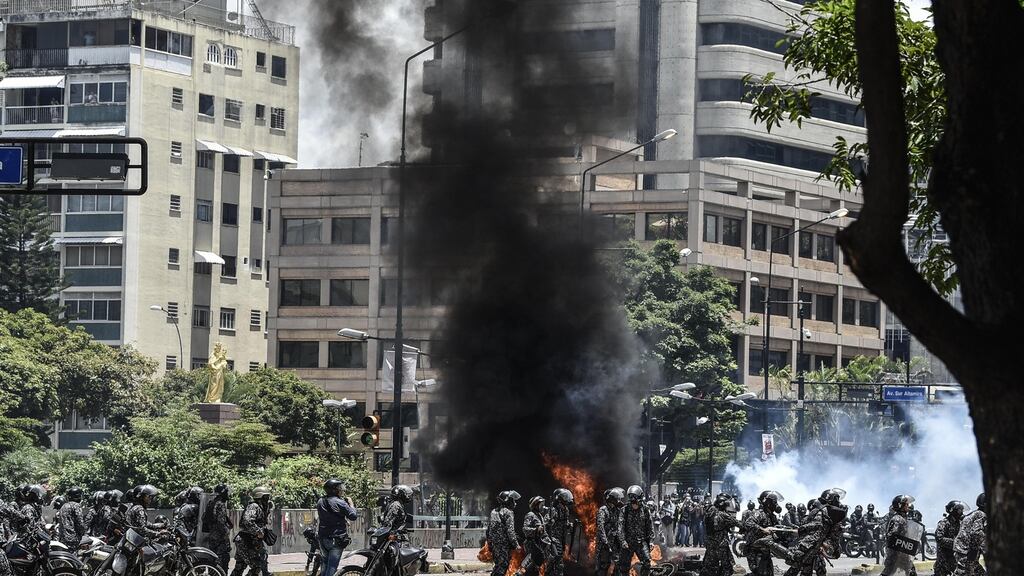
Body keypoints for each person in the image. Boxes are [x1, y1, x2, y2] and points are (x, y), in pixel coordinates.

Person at [785, 489, 847, 576]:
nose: (838, 502)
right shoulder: (823, 512)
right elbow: (818, 529)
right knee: (797, 567)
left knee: (803, 569)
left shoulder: (824, 513)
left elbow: (832, 533)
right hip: (809, 547)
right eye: (836, 499)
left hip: (812, 547)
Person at [317, 479, 359, 576]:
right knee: (332, 568)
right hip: (336, 539)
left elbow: (329, 517)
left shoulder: (320, 501)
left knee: (324, 566)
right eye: (339, 488)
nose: (341, 491)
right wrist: (351, 504)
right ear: (334, 490)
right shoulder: (340, 502)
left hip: (322, 538)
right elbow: (353, 516)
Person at [743, 490, 791, 576]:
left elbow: (777, 529)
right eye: (774, 502)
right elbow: (748, 523)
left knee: (769, 573)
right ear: (768, 502)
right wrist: (763, 529)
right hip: (754, 550)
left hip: (765, 551)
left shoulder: (772, 516)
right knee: (759, 573)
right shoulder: (759, 513)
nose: (776, 505)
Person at [231, 486, 273, 576]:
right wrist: (258, 532)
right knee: (256, 566)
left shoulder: (261, 507)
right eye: (266, 497)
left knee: (240, 566)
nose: (268, 499)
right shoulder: (254, 506)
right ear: (260, 497)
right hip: (246, 541)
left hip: (248, 541)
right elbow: (247, 520)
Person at [699, 493, 742, 576]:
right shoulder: (723, 515)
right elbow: (738, 524)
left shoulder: (709, 513)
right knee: (727, 566)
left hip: (710, 543)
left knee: (708, 566)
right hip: (721, 544)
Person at [617, 486, 653, 576]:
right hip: (628, 543)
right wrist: (623, 541)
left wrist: (651, 541)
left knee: (647, 563)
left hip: (641, 542)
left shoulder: (645, 509)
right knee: (623, 566)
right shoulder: (624, 510)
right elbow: (620, 527)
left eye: (635, 498)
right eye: (631, 498)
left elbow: (649, 526)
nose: (634, 502)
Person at [880, 494, 918, 576]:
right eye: (906, 504)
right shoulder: (897, 519)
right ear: (900, 505)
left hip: (902, 552)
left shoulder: (903, 518)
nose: (908, 505)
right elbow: (892, 535)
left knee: (911, 571)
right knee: (888, 571)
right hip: (896, 554)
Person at [951, 493, 986, 576]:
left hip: (964, 548)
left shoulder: (976, 513)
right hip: (966, 551)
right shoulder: (981, 515)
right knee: (964, 572)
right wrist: (975, 550)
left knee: (979, 572)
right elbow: (977, 533)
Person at [488, 491, 521, 576]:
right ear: (508, 501)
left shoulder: (494, 512)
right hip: (503, 545)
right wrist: (516, 545)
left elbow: (489, 529)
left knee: (497, 566)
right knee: (502, 567)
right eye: (513, 500)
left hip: (495, 544)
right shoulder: (508, 512)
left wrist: (490, 543)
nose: (515, 503)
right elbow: (510, 531)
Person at [203, 483, 234, 574]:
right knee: (223, 560)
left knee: (213, 560)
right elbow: (221, 522)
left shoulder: (211, 503)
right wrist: (226, 533)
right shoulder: (220, 504)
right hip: (220, 538)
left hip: (212, 536)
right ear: (223, 493)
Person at [934, 501, 968, 576]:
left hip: (955, 557)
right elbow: (939, 538)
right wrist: (955, 542)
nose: (961, 512)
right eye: (959, 510)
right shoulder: (944, 523)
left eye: (962, 510)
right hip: (944, 560)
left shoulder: (960, 523)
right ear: (953, 511)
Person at [546, 488, 574, 576]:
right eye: (565, 497)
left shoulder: (565, 510)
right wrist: (549, 522)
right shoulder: (553, 510)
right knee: (557, 564)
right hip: (553, 539)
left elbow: (564, 523)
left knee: (557, 564)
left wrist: (569, 525)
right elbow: (546, 523)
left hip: (561, 539)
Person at [596, 488, 623, 576]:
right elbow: (600, 527)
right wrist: (605, 542)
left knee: (618, 563)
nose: (619, 501)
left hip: (614, 542)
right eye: (617, 499)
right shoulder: (603, 510)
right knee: (604, 565)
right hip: (604, 544)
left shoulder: (616, 511)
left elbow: (619, 525)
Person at [522, 497, 551, 576]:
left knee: (536, 567)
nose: (543, 507)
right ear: (535, 505)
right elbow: (525, 529)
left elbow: (543, 531)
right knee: (531, 564)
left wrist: (548, 541)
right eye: (541, 505)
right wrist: (536, 529)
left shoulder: (540, 516)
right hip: (531, 543)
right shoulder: (530, 515)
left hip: (538, 543)